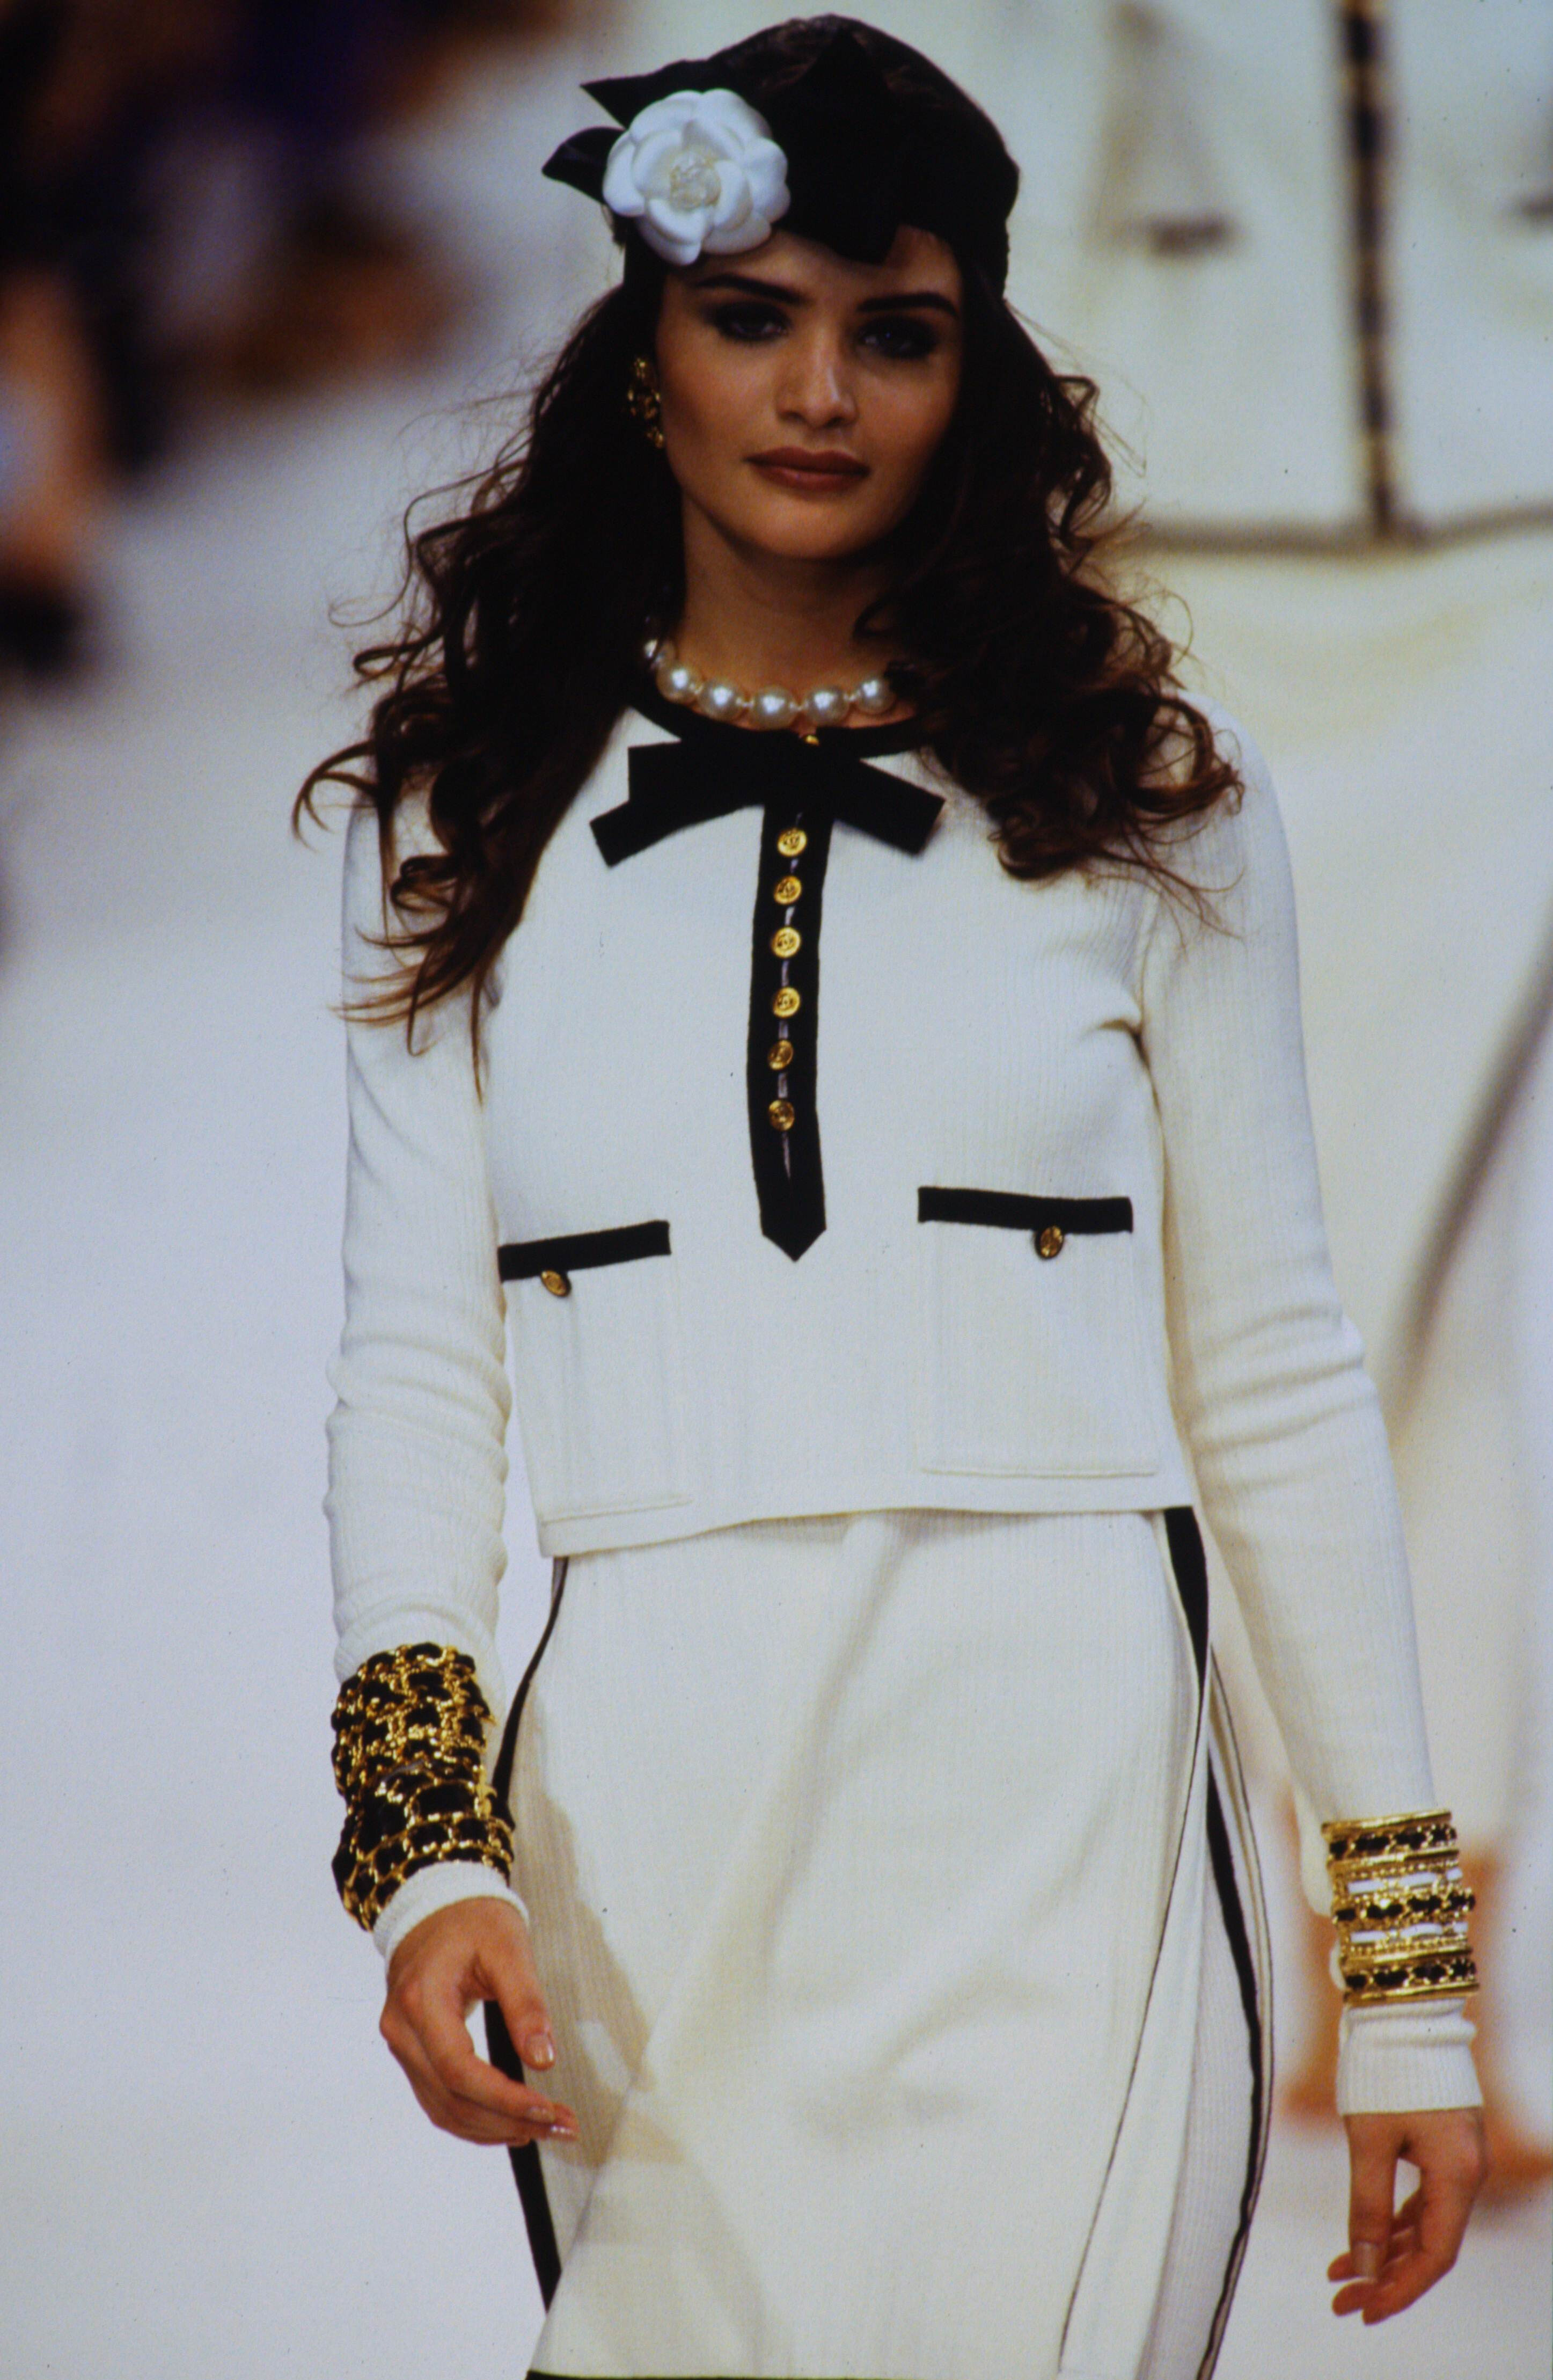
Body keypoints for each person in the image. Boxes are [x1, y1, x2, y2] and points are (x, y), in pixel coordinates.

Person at [301, 21, 1488, 2378]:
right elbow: (416, 1365)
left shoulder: (1155, 804)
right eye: (752, 316)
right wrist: (424, 1848)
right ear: (640, 356)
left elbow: (1273, 1375)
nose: (819, 392)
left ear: (982, 377)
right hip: (647, 1819)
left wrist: (1408, 1980)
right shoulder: (461, 816)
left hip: (1067, 1785)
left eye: (898, 332)